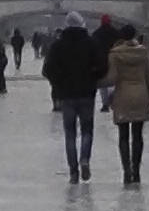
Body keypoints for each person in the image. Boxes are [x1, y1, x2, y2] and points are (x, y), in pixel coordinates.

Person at [43, 12, 107, 182]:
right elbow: (103, 66)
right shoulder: (91, 44)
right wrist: (93, 77)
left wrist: (58, 84)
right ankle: (85, 159)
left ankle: (73, 171)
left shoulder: (58, 46)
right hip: (87, 93)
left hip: (67, 95)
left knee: (70, 133)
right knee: (87, 131)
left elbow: (47, 70)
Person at [101, 24, 149, 184]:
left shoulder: (115, 54)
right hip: (141, 96)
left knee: (123, 136)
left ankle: (126, 171)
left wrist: (95, 83)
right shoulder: (143, 53)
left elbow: (112, 79)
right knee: (137, 135)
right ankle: (136, 170)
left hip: (122, 96)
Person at [91, 14, 121, 111]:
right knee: (116, 81)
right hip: (115, 59)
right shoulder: (116, 33)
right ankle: (114, 97)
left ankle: (105, 104)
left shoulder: (96, 33)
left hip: (101, 61)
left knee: (103, 84)